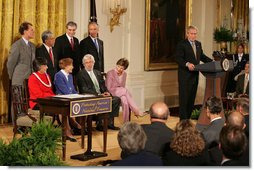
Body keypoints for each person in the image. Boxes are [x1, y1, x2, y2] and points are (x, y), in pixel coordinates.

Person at [28, 58, 77, 142]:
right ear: (40, 67)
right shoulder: (33, 78)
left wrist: (53, 96)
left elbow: (50, 90)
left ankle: (68, 130)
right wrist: (52, 96)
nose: (47, 67)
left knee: (62, 107)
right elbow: (38, 95)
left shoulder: (46, 76)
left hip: (48, 101)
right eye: (45, 66)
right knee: (60, 109)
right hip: (38, 102)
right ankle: (68, 131)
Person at [174, 25, 213, 120]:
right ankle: (183, 122)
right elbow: (178, 58)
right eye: (192, 34)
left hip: (195, 76)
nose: (194, 36)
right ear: (187, 34)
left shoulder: (198, 44)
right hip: (185, 77)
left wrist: (213, 62)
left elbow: (202, 56)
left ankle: (188, 120)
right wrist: (187, 64)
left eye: (195, 34)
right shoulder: (182, 44)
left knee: (191, 100)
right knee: (184, 100)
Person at [76, 54, 121, 131]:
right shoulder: (81, 74)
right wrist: (98, 95)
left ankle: (108, 123)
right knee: (102, 101)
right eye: (87, 62)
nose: (89, 64)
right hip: (91, 96)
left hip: (101, 95)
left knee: (116, 99)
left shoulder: (97, 72)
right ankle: (100, 122)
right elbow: (84, 89)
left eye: (91, 62)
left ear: (94, 62)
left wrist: (107, 92)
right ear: (83, 64)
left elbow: (103, 85)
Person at [106, 58, 146, 122]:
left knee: (125, 101)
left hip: (120, 92)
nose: (119, 69)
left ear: (124, 68)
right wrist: (120, 90)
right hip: (111, 91)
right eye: (118, 66)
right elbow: (108, 87)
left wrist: (121, 91)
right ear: (116, 65)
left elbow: (122, 85)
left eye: (122, 68)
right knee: (125, 90)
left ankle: (126, 122)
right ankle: (137, 111)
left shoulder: (124, 74)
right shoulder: (110, 73)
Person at [54, 58, 82, 134]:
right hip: (61, 99)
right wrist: (73, 95)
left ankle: (75, 125)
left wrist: (78, 95)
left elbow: (72, 89)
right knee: (65, 108)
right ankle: (67, 130)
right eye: (71, 65)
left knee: (81, 104)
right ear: (66, 66)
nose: (73, 67)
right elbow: (64, 90)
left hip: (69, 97)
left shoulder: (70, 76)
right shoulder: (58, 75)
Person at [7, 22, 35, 86]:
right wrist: (13, 77)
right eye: (31, 30)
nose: (33, 32)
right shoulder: (17, 45)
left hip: (30, 80)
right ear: (25, 31)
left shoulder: (33, 46)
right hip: (19, 80)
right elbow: (11, 63)